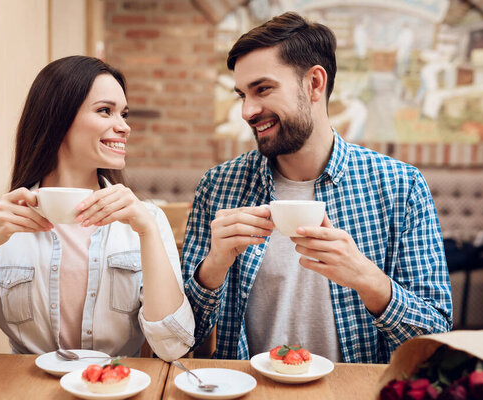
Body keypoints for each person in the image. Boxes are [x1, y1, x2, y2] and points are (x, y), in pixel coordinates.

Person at [182, 12, 451, 363]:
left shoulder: (400, 187)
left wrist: (369, 280)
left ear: (314, 84)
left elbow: (436, 339)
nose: (248, 111)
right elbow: (180, 335)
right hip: (247, 389)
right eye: (242, 95)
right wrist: (213, 268)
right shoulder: (219, 187)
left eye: (262, 89)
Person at [0, 56, 195, 361]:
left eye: (123, 114)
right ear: (58, 118)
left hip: (119, 386)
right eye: (105, 111)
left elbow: (173, 346)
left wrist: (147, 231)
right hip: (28, 387)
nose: (124, 127)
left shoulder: (147, 220)